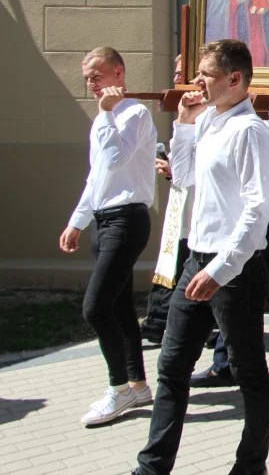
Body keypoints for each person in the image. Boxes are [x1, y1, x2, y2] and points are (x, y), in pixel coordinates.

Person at [132, 40, 269, 475]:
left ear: (235, 79)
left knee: (249, 373)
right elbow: (184, 177)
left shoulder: (251, 131)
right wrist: (185, 124)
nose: (197, 81)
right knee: (172, 367)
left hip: (233, 268)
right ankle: (152, 467)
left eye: (206, 74)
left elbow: (257, 210)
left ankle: (250, 467)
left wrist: (221, 269)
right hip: (197, 261)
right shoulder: (211, 119)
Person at [60, 47, 156, 426]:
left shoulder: (134, 113)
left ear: (119, 73)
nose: (91, 82)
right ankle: (137, 384)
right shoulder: (103, 118)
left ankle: (117, 389)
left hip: (127, 219)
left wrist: (105, 116)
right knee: (117, 308)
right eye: (87, 77)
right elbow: (96, 177)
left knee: (95, 308)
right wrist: (77, 221)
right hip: (103, 219)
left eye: (97, 74)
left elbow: (117, 158)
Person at [190, 106, 269, 386]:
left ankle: (234, 363)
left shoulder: (261, 122)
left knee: (254, 281)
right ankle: (232, 361)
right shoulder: (220, 117)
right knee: (248, 281)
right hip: (240, 211)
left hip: (259, 213)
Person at [141, 56, 193, 345]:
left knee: (183, 265)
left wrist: (176, 170)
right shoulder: (185, 112)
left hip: (195, 206)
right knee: (170, 261)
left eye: (179, 73)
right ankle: (158, 321)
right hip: (179, 200)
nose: (175, 78)